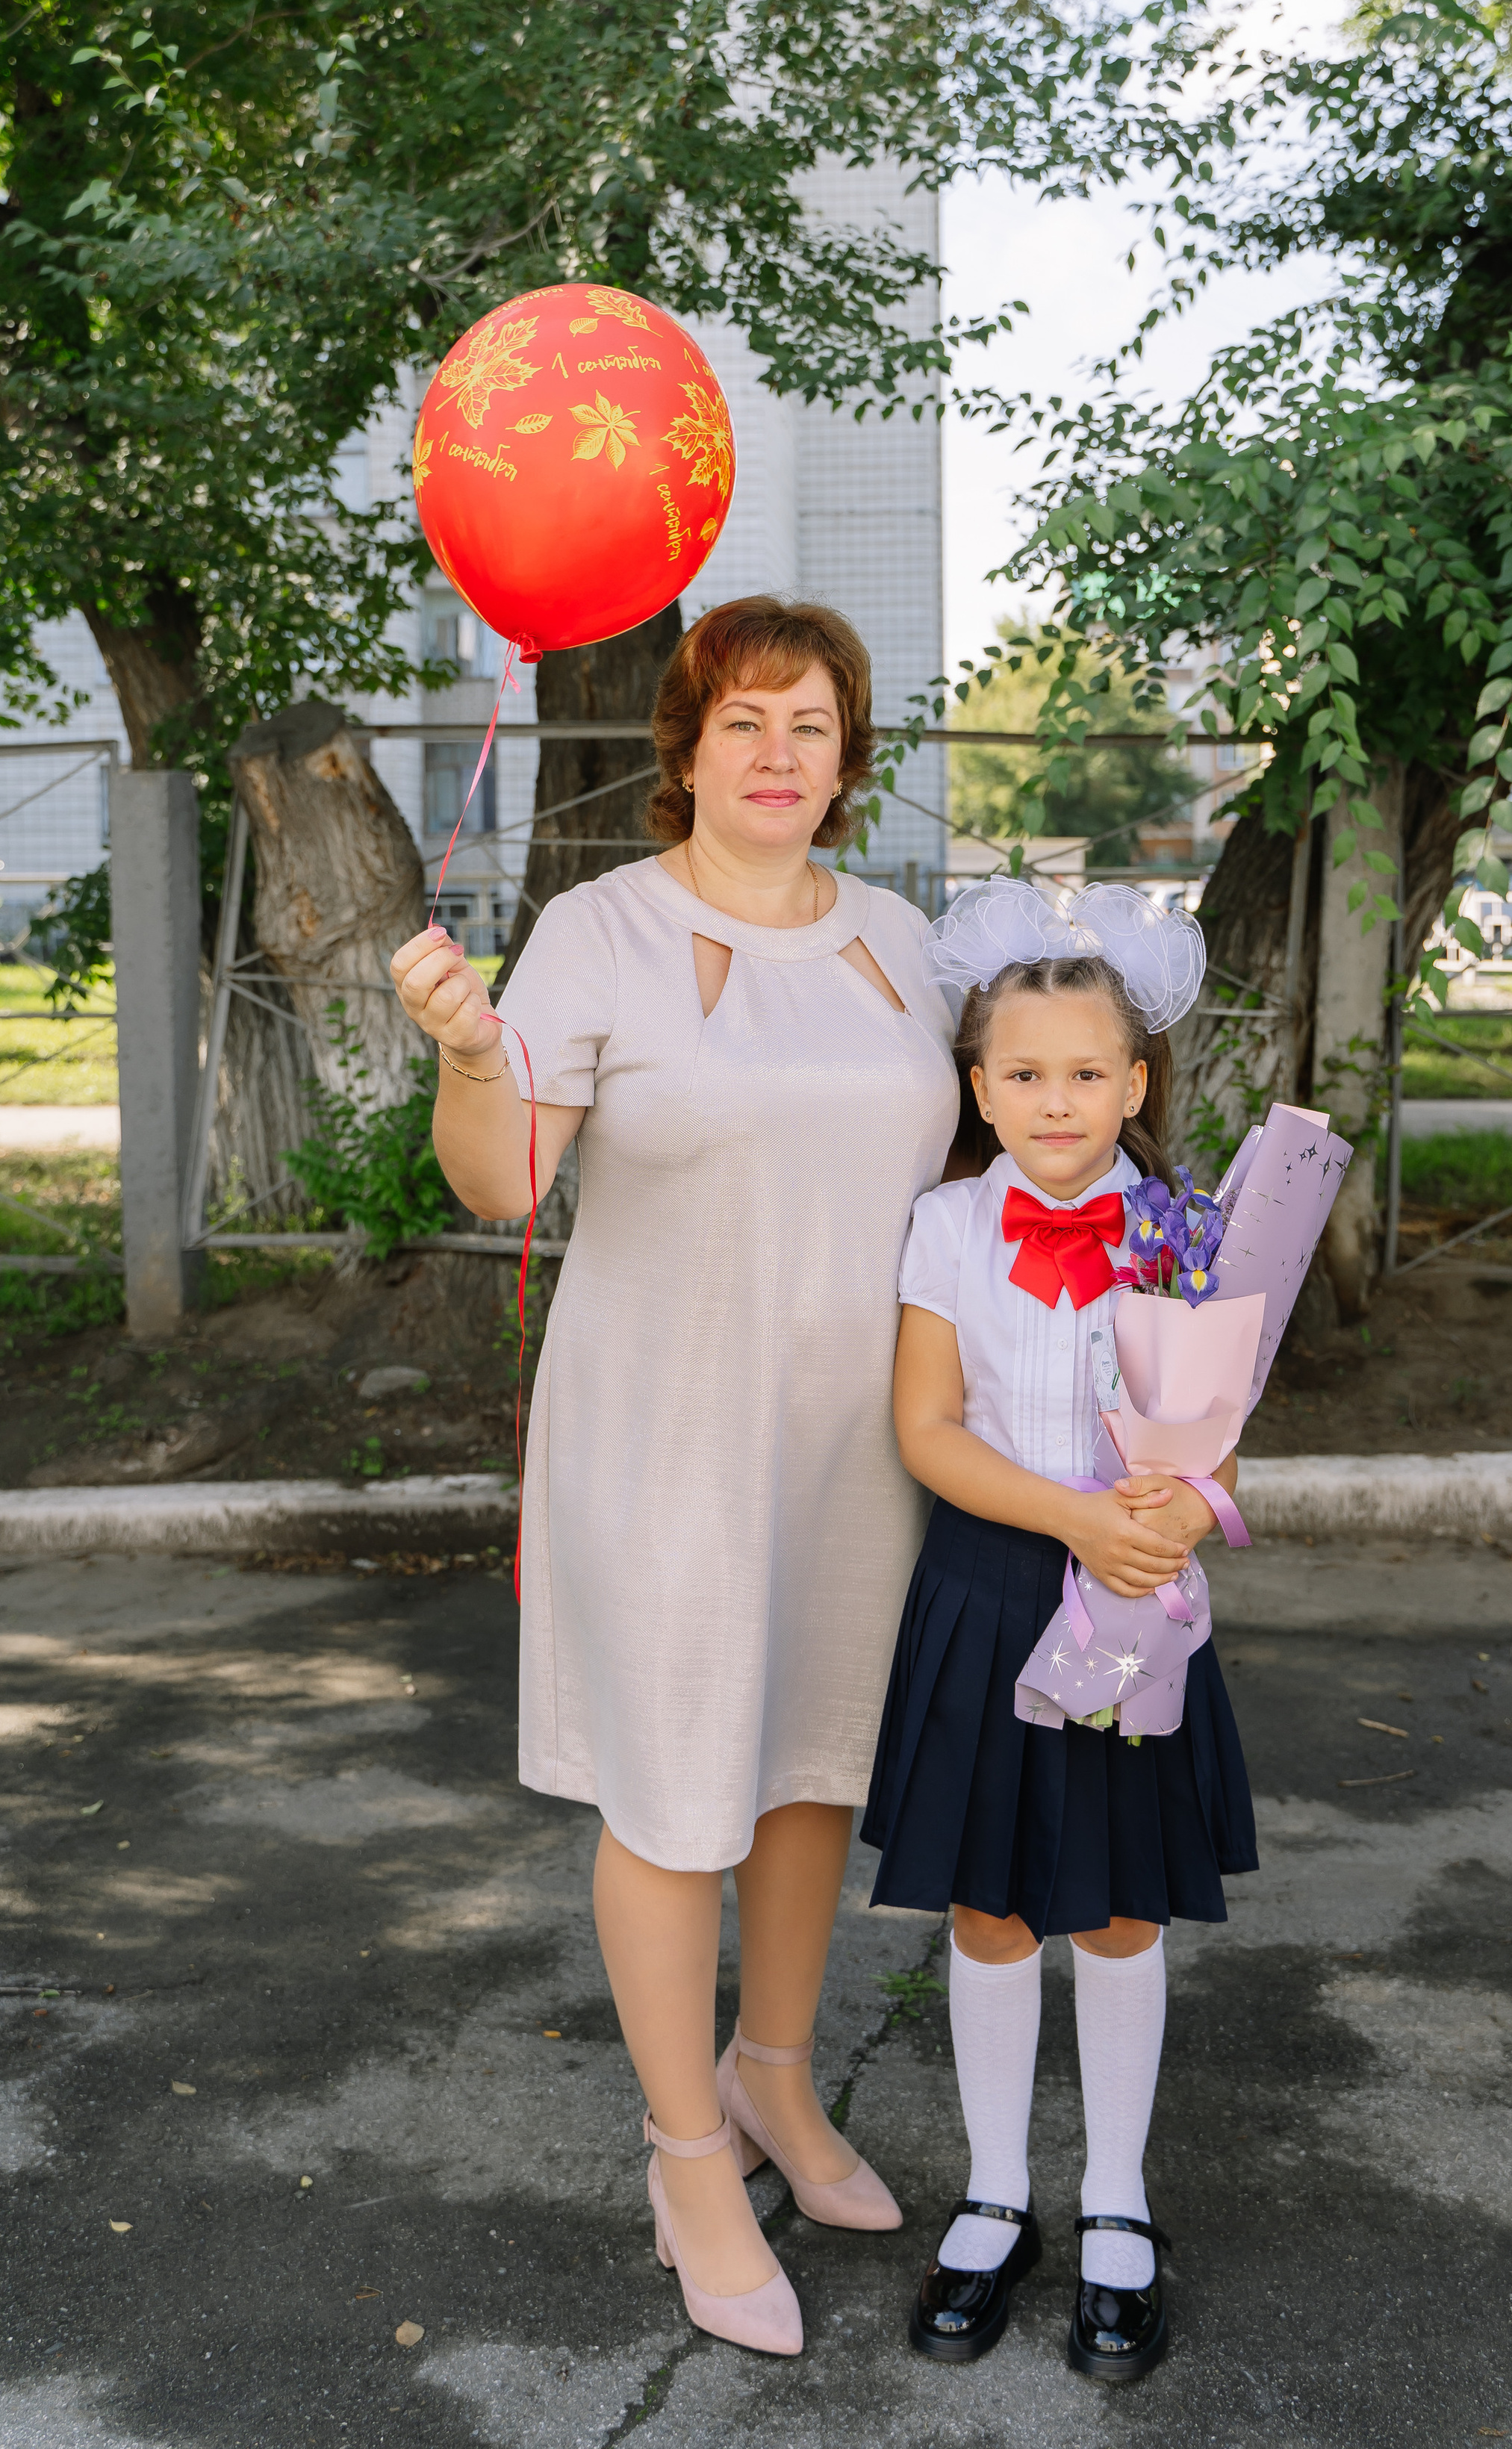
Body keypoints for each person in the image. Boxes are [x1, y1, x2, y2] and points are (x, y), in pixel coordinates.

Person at [389, 597, 959, 2359]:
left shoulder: (901, 941)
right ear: (686, 751)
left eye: (809, 725)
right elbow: (503, 1184)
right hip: (665, 1429)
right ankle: (689, 2155)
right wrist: (474, 1056)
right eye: (743, 723)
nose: (777, 753)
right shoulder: (598, 930)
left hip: (861, 1436)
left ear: (847, 760)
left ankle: (776, 2081)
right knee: (674, 1791)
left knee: (806, 1769)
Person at [862, 880, 1257, 2381]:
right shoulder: (945, 1226)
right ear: (977, 1084)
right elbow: (924, 1428)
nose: (1054, 1098)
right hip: (987, 1593)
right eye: (1020, 1073)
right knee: (989, 1910)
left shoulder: (1184, 1227)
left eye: (1086, 1072)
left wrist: (1172, 1508)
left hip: (1130, 1605)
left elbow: (1214, 1428)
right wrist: (1073, 1515)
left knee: (1111, 1910)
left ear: (1136, 1082)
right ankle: (992, 2190)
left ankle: (1112, 2201)